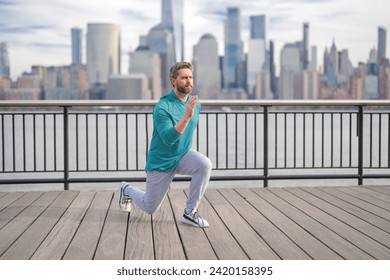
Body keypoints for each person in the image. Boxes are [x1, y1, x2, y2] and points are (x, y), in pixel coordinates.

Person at [119, 61, 212, 228]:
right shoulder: (162, 107)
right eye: (184, 78)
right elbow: (169, 139)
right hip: (161, 161)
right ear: (173, 81)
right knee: (150, 208)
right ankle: (126, 189)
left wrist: (189, 113)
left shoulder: (195, 104)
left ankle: (190, 212)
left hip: (182, 155)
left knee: (204, 164)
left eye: (190, 77)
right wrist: (186, 116)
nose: (189, 81)